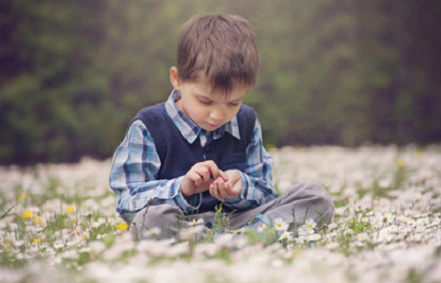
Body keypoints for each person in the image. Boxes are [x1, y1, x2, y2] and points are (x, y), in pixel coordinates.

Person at [109, 13, 334, 240]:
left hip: (241, 222)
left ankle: (242, 240)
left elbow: (266, 194)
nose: (218, 115)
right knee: (149, 221)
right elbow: (129, 201)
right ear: (177, 79)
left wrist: (240, 188)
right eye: (205, 101)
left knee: (315, 197)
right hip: (181, 224)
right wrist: (183, 188)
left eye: (233, 102)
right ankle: (241, 242)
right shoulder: (150, 127)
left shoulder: (246, 122)